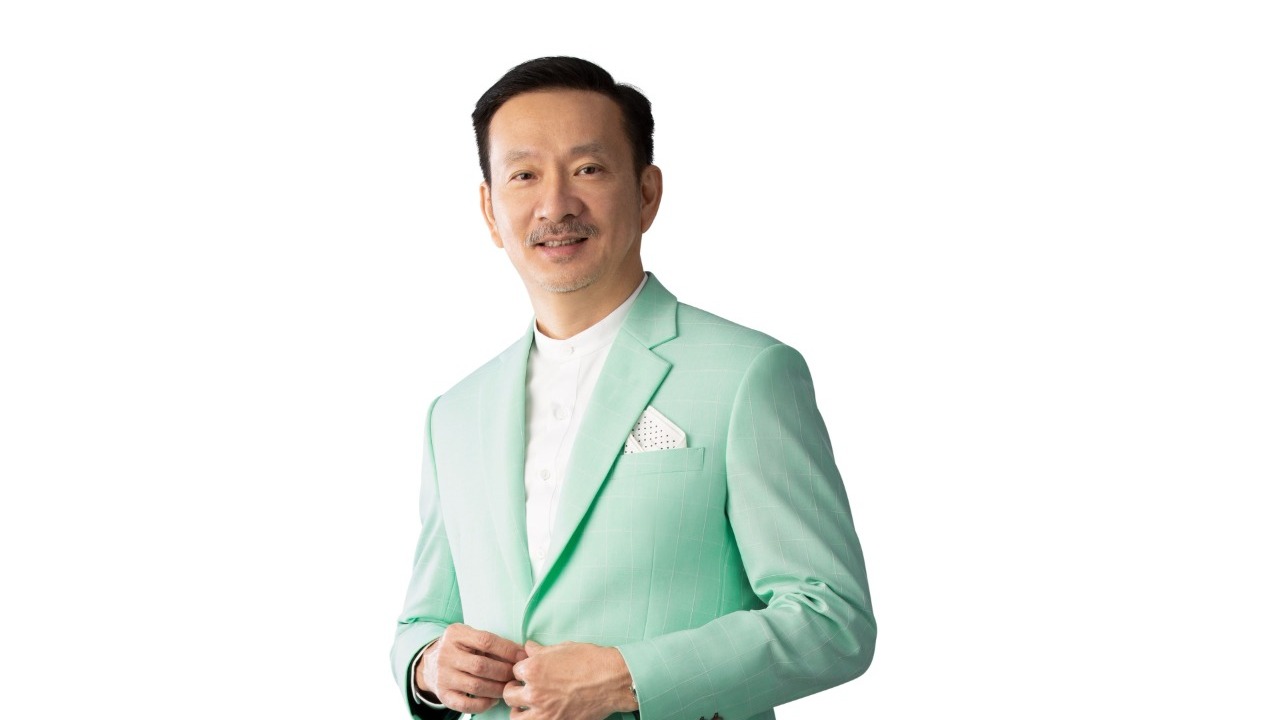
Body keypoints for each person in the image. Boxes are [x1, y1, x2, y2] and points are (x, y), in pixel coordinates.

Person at [392, 56, 876, 720]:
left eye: (588, 169)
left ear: (647, 193)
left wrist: (631, 679)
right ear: (489, 209)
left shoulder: (749, 374)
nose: (555, 205)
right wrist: (427, 666)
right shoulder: (455, 413)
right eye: (524, 175)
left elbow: (832, 618)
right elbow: (424, 618)